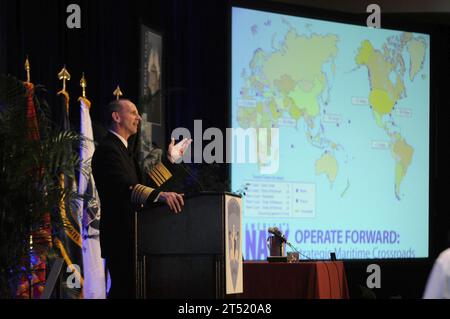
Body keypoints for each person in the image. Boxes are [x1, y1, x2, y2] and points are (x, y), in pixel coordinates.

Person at [92, 99, 186, 298]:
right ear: (117, 117)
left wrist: (170, 161)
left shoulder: (124, 151)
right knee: (123, 292)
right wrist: (161, 196)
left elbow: (145, 183)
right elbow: (127, 188)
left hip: (133, 237)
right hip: (120, 238)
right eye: (133, 112)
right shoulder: (108, 150)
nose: (138, 118)